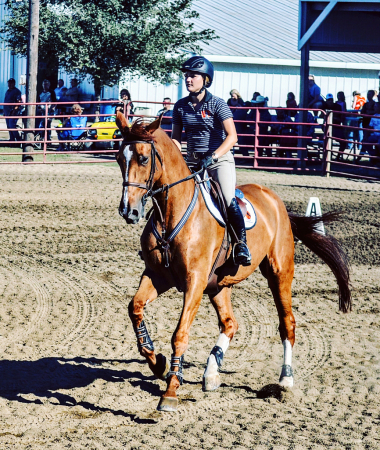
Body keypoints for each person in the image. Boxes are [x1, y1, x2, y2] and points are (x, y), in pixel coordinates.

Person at [171, 55, 251, 266]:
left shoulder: (218, 104)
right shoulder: (180, 106)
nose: (188, 79)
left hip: (219, 161)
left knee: (226, 197)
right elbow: (176, 139)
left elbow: (232, 137)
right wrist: (176, 159)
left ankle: (241, 244)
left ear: (205, 79)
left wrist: (213, 156)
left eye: (193, 76)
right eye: (186, 75)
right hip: (192, 162)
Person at [323, 93, 344, 159]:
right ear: (326, 101)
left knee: (344, 142)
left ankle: (338, 157)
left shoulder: (338, 107)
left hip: (336, 127)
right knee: (326, 140)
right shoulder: (323, 106)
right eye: (328, 100)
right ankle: (326, 157)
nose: (330, 101)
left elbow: (341, 118)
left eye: (331, 100)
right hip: (327, 128)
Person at [3, 78, 22, 146]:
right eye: (9, 83)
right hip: (7, 112)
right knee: (9, 126)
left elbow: (18, 102)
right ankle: (12, 140)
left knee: (12, 125)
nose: (10, 84)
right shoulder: (7, 91)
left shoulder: (17, 91)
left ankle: (19, 140)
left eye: (11, 83)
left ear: (14, 83)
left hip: (13, 112)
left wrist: (14, 111)